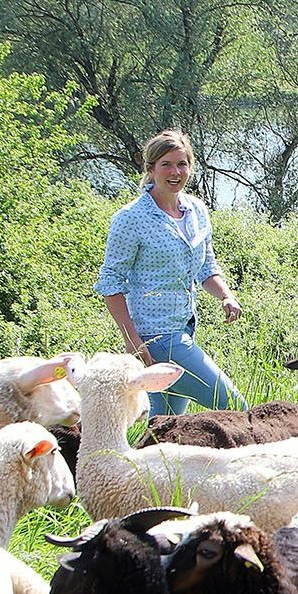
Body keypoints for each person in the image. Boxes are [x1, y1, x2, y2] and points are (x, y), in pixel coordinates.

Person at [94, 128, 248, 416]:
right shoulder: (131, 218)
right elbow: (111, 285)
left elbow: (206, 268)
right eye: (166, 164)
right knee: (234, 406)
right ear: (151, 169)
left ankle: (145, 461)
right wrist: (133, 341)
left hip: (186, 327)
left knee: (165, 428)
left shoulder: (196, 211)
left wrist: (226, 296)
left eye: (182, 164)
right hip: (158, 338)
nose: (175, 172)